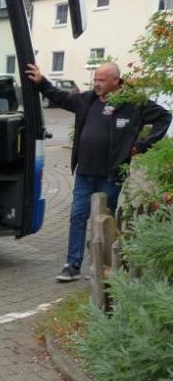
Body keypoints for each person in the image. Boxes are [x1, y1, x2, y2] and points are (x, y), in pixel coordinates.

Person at [25, 62, 171, 281]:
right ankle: (72, 265)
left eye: (101, 80)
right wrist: (41, 81)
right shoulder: (87, 100)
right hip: (85, 172)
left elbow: (164, 117)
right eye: (95, 80)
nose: (97, 84)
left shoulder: (133, 103)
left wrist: (142, 145)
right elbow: (60, 97)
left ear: (116, 81)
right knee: (77, 216)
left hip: (111, 175)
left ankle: (101, 266)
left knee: (104, 220)